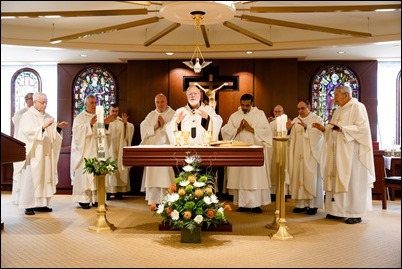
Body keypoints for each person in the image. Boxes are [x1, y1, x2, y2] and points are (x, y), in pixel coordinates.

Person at [313, 85, 375, 224]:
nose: (334, 99)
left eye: (336, 96)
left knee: (352, 181)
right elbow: (332, 129)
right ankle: (337, 211)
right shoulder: (339, 110)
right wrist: (325, 129)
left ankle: (354, 213)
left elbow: (362, 129)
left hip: (352, 153)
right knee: (336, 179)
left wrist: (343, 129)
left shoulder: (357, 107)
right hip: (337, 152)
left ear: (346, 95)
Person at [13, 92, 68, 215]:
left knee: (45, 178)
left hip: (45, 154)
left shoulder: (47, 116)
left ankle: (41, 204)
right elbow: (26, 133)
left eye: (46, 102)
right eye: (42, 102)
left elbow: (53, 135)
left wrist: (58, 128)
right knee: (31, 178)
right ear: (34, 102)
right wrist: (42, 127)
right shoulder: (27, 116)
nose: (45, 105)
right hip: (34, 154)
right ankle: (28, 205)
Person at [221, 94, 273, 213]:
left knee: (255, 177)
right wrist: (238, 129)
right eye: (242, 105)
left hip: (255, 151)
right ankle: (242, 204)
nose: (244, 107)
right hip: (240, 152)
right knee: (242, 177)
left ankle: (256, 204)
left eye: (247, 105)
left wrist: (252, 129)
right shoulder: (235, 116)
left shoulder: (260, 114)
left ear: (252, 104)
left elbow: (267, 132)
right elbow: (225, 131)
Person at [70, 95, 115, 209]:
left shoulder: (99, 116)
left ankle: (97, 199)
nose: (94, 105)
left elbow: (105, 134)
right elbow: (76, 134)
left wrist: (106, 124)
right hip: (85, 151)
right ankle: (84, 200)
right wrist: (89, 124)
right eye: (91, 103)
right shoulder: (79, 118)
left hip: (98, 150)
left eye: (95, 103)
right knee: (86, 175)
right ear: (85, 104)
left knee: (98, 173)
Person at [287, 99, 324, 215]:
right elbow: (291, 138)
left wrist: (307, 127)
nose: (300, 111)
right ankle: (301, 204)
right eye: (298, 109)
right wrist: (288, 129)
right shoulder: (295, 120)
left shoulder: (316, 119)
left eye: (303, 108)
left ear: (309, 107)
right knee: (298, 177)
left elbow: (320, 135)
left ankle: (312, 205)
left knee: (310, 178)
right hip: (298, 154)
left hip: (311, 155)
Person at [140, 93, 176, 205]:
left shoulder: (173, 114)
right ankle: (154, 200)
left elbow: (176, 130)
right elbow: (143, 128)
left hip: (167, 150)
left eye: (162, 102)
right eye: (157, 102)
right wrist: (155, 127)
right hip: (153, 151)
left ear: (166, 102)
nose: (160, 104)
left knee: (165, 175)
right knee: (153, 176)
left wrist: (164, 125)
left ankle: (167, 200)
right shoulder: (151, 115)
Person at [105, 103, 135, 200]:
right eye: (113, 111)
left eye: (116, 111)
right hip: (109, 150)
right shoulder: (106, 121)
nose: (114, 113)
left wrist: (125, 124)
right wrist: (106, 124)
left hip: (120, 149)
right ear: (109, 111)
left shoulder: (121, 121)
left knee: (119, 170)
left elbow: (130, 129)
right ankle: (109, 192)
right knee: (110, 170)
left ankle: (119, 192)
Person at [11, 92, 34, 204]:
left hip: (33, 146)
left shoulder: (37, 113)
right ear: (26, 100)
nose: (32, 101)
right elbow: (17, 122)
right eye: (31, 99)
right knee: (22, 172)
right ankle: (19, 198)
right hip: (22, 144)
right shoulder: (21, 113)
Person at [268, 104, 291, 198]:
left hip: (284, 150)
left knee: (283, 170)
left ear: (283, 112)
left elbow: (290, 136)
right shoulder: (270, 124)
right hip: (273, 150)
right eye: (275, 111)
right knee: (273, 170)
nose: (277, 113)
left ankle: (284, 193)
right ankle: (273, 192)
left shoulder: (287, 123)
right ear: (273, 112)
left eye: (279, 111)